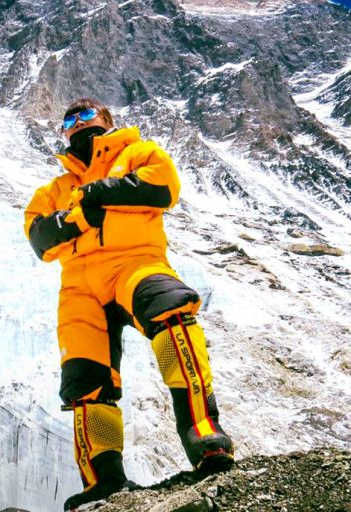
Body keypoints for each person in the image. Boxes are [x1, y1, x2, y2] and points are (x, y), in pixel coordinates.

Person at [24, 98, 234, 511]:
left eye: (87, 115)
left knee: (171, 313)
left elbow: (163, 187)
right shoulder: (51, 190)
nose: (78, 124)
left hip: (136, 262)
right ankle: (103, 480)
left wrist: (99, 192)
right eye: (70, 119)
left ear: (107, 120)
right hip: (80, 288)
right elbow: (40, 238)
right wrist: (82, 217)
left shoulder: (139, 153)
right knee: (85, 382)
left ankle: (205, 435)